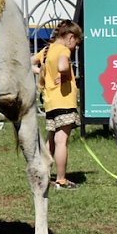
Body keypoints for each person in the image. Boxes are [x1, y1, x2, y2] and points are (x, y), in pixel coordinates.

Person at [31, 19, 83, 190]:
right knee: (62, 141)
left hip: (50, 102)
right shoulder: (63, 50)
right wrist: (66, 70)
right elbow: (62, 66)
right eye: (76, 43)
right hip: (64, 101)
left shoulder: (46, 50)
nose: (75, 47)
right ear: (70, 37)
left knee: (51, 139)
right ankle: (61, 179)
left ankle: (44, 173)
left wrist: (41, 71)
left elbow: (29, 62)